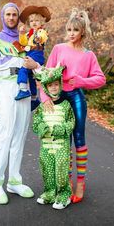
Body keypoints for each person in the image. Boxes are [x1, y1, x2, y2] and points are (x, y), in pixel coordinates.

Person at [24, 8, 106, 204]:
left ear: (82, 32)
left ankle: (80, 184)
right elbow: (46, 74)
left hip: (76, 97)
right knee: (62, 141)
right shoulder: (59, 49)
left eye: (75, 30)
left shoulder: (89, 56)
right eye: (68, 29)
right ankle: (64, 183)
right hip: (57, 99)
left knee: (78, 138)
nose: (71, 33)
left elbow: (100, 79)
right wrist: (44, 99)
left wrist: (80, 81)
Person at [0, 2, 34, 205]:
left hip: (23, 89)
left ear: (18, 17)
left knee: (19, 136)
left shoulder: (26, 39)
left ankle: (14, 180)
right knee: (5, 136)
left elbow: (33, 61)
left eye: (14, 15)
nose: (11, 18)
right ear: (3, 16)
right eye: (8, 14)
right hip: (4, 90)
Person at [32, 65, 75, 210]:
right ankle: (49, 193)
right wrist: (40, 128)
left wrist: (63, 128)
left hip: (61, 145)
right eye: (50, 85)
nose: (54, 88)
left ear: (60, 85)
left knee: (61, 171)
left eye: (56, 84)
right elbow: (35, 123)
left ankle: (64, 195)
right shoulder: (42, 107)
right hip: (46, 145)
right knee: (47, 169)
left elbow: (71, 122)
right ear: (45, 88)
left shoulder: (66, 105)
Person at [14, 6, 51, 111]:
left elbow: (43, 37)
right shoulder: (29, 33)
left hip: (36, 53)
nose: (34, 23)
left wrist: (39, 38)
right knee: (31, 76)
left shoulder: (40, 32)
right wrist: (21, 34)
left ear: (41, 23)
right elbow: (23, 42)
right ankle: (34, 99)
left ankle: (23, 89)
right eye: (31, 21)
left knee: (23, 68)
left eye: (37, 21)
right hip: (30, 52)